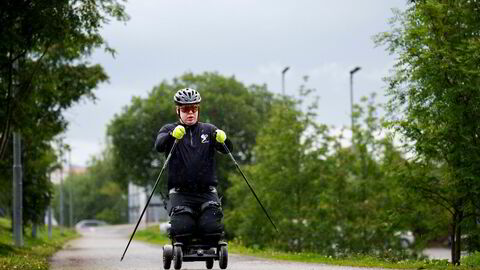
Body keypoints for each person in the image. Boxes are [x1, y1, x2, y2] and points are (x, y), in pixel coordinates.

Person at [154, 88, 233, 244]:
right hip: (180, 193)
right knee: (183, 230)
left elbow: (228, 150)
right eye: (185, 109)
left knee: (212, 229)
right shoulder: (169, 129)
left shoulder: (209, 130)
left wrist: (224, 139)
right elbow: (159, 145)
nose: (190, 113)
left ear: (198, 110)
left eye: (194, 109)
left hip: (207, 192)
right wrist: (171, 136)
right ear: (178, 111)